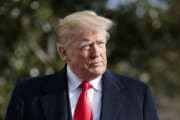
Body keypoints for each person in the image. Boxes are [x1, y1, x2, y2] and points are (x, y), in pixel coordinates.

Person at [6, 10, 158, 120]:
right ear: (63, 52)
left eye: (100, 43)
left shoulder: (138, 95)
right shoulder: (27, 95)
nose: (96, 52)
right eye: (86, 46)